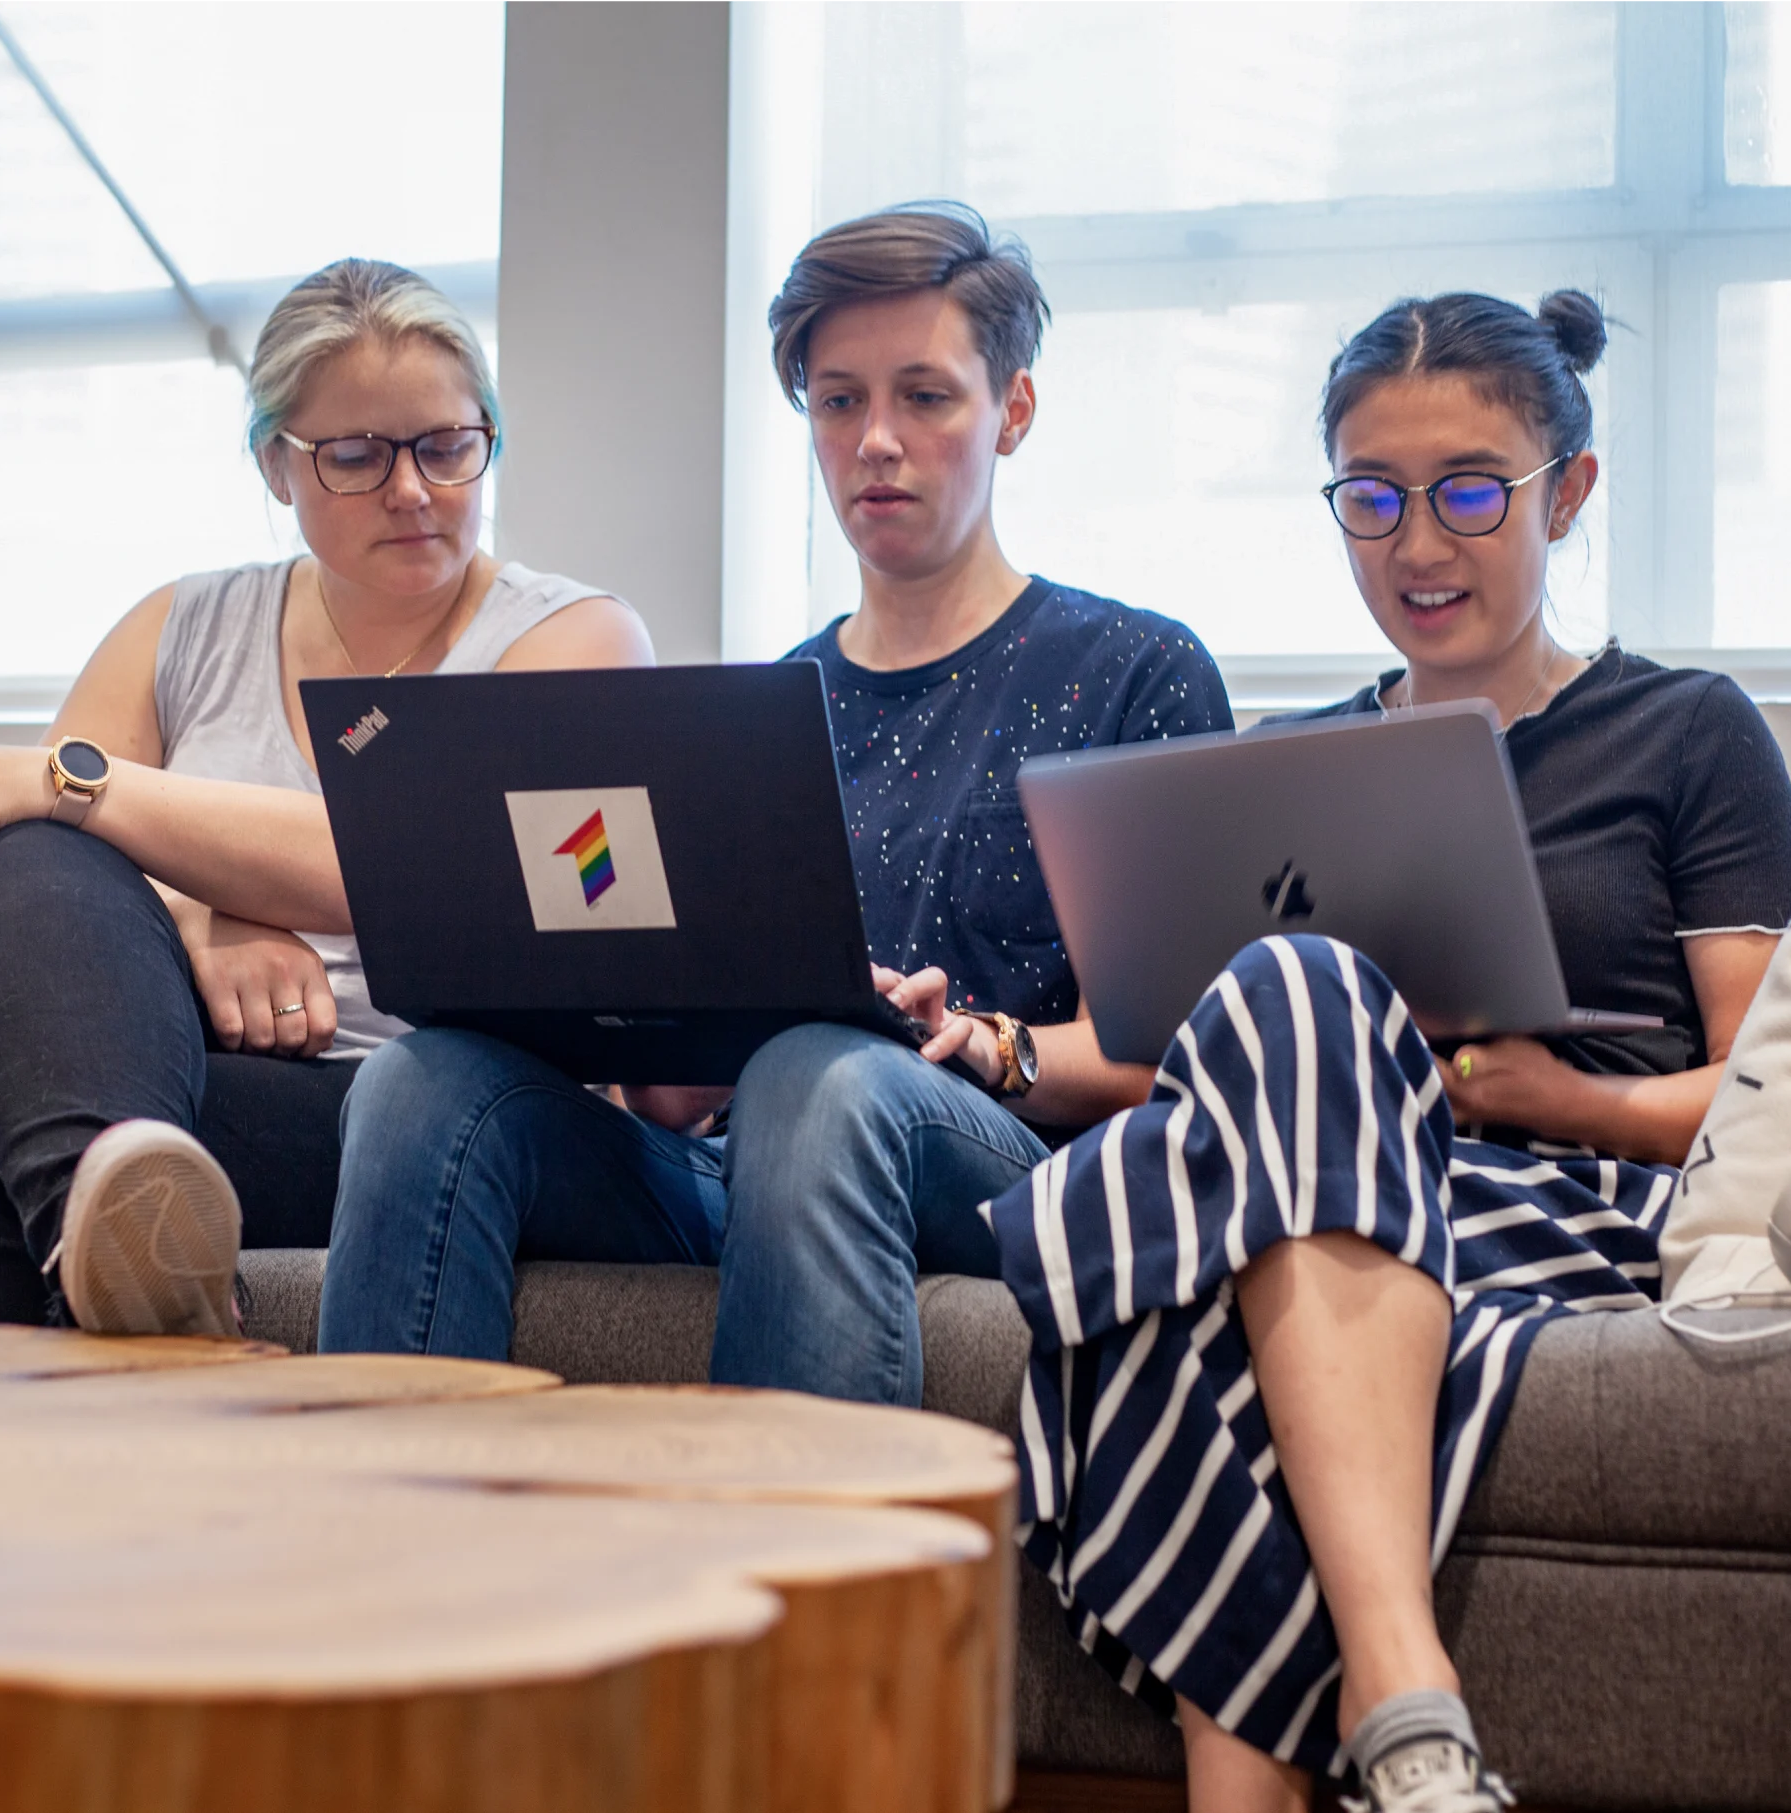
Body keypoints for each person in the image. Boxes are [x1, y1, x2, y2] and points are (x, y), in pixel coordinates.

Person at [990, 291, 1791, 1813]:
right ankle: (1403, 1723)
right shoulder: (1291, 761)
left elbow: (1767, 1088)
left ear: (1565, 489)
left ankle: (1334, 1734)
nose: (1417, 545)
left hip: (1558, 1189)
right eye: (1370, 499)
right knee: (1275, 1028)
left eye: (1467, 492)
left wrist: (1570, 1095)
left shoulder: (1687, 733)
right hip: (1319, 1169)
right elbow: (1173, 1044)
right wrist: (980, 1047)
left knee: (1183, 1257)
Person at [317, 202, 1232, 1401]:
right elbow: (673, 1099)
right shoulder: (749, 719)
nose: (877, 441)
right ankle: (386, 1565)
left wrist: (987, 1045)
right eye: (840, 400)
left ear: (1013, 409)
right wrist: (657, 1014)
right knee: (418, 1079)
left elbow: (1192, 1056)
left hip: (1016, 1158)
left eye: (926, 396)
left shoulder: (1136, 672)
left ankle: (789, 1579)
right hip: (751, 1159)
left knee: (821, 1071)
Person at [0, 259, 652, 1338]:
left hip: (428, 1106)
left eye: (448, 446)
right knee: (37, 865)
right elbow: (79, 877)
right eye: (354, 456)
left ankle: (73, 1333)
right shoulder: (181, 626)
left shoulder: (573, 639)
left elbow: (419, 865)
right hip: (186, 1071)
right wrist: (209, 923)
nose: (413, 490)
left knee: (16, 1120)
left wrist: (76, 784)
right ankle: (131, 1272)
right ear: (275, 464)